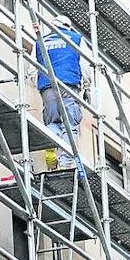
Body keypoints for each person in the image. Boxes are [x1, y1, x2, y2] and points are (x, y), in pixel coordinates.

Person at [34, 15, 84, 170]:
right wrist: (86, 87)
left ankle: (51, 149)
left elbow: (32, 68)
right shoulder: (76, 39)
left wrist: (41, 85)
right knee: (70, 124)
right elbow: (86, 66)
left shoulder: (41, 41)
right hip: (68, 85)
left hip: (47, 87)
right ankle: (66, 162)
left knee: (52, 122)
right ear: (68, 27)